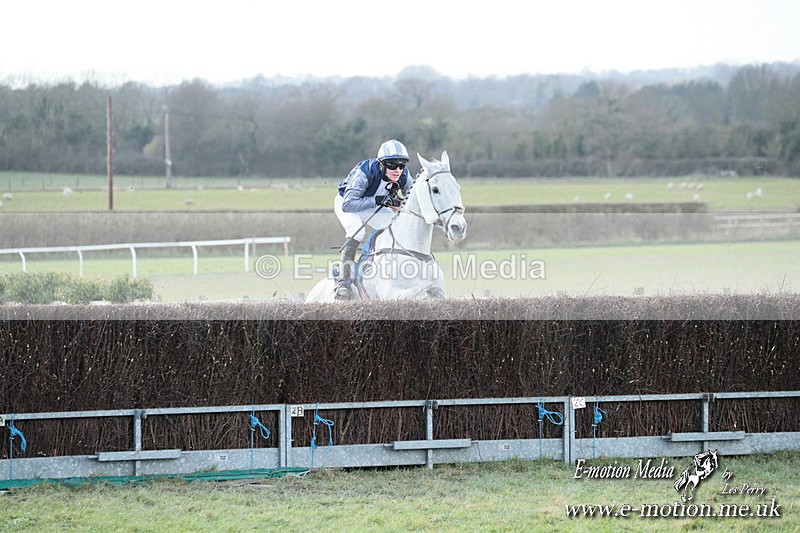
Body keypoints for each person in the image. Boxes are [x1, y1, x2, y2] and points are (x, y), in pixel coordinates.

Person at [333, 139, 413, 300]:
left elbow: (407, 200)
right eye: (391, 165)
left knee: (393, 226)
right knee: (357, 232)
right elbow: (349, 204)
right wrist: (378, 200)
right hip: (347, 203)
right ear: (381, 164)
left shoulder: (404, 175)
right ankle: (342, 281)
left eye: (401, 165)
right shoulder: (365, 172)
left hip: (371, 203)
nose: (397, 170)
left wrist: (399, 204)